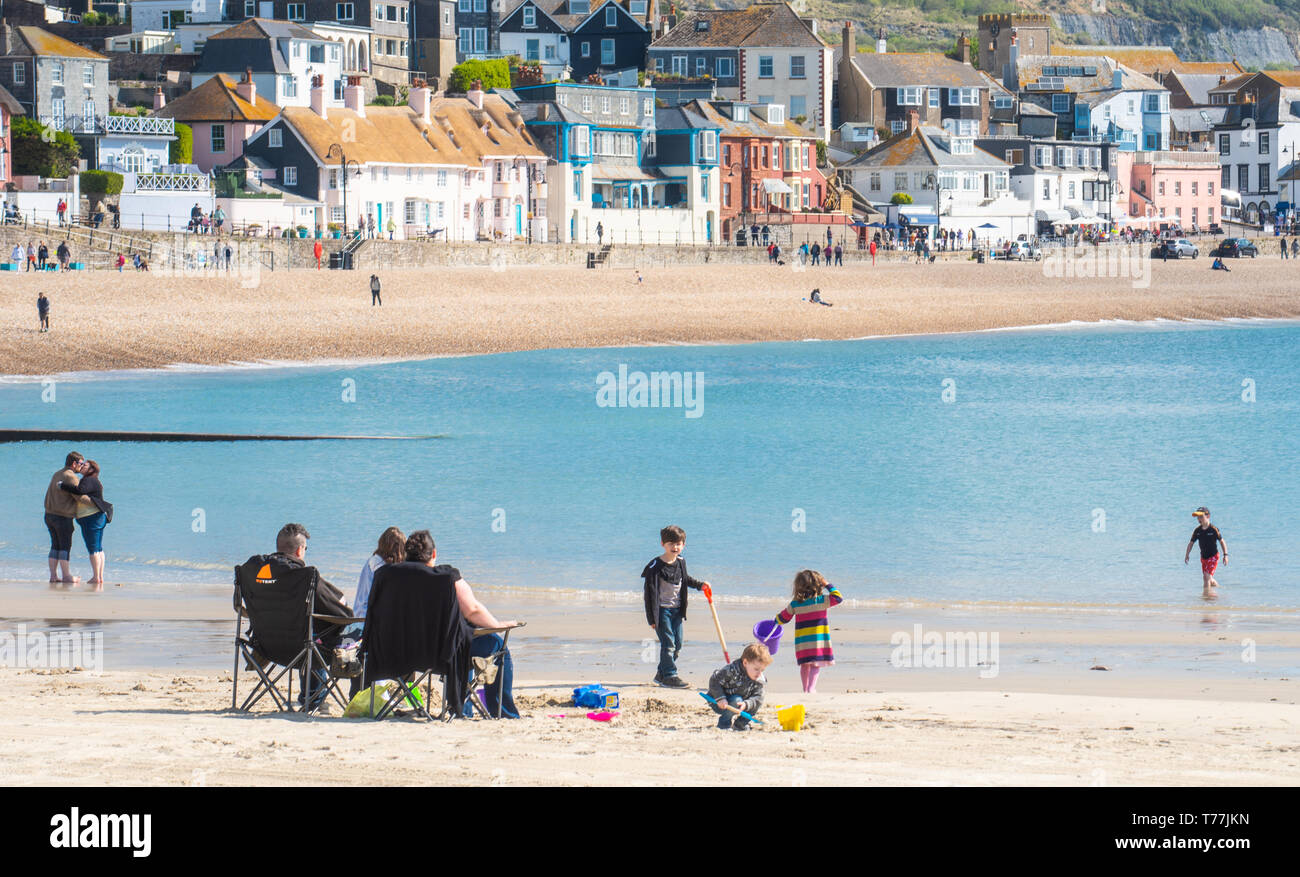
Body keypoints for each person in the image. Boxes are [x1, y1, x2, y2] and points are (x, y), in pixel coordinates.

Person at [402, 530, 521, 719]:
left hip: (405, 652)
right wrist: (497, 625)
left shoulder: (393, 577)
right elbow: (472, 610)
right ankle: (503, 713)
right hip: (445, 653)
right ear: (433, 554)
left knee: (460, 643)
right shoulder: (446, 576)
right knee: (497, 647)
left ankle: (461, 709)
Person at [238, 523, 353, 707]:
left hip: (264, 647)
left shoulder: (251, 571)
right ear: (300, 550)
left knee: (309, 628)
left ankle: (312, 695)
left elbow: (241, 607)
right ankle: (316, 697)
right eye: (305, 548)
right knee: (335, 629)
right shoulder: (304, 576)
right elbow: (343, 612)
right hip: (301, 650)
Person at [642, 524, 711, 689]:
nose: (675, 547)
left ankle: (661, 674)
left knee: (678, 644)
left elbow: (685, 579)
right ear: (663, 544)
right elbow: (648, 594)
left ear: (683, 545)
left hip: (677, 610)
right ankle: (670, 675)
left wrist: (701, 585)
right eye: (671, 544)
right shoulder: (655, 566)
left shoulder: (681, 562)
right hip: (661, 611)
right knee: (669, 643)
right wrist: (651, 618)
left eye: (678, 544)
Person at [773, 569, 843, 693]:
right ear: (818, 585)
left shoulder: (796, 604)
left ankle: (805, 689)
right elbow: (838, 598)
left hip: (803, 642)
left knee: (805, 665)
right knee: (816, 664)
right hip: (818, 640)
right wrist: (827, 584)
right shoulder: (822, 600)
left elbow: (784, 617)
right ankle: (811, 688)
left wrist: (774, 621)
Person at [59, 459, 112, 589]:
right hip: (98, 517)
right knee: (98, 548)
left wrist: (62, 485)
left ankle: (96, 577)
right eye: (81, 464)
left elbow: (79, 490)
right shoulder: (95, 481)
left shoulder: (89, 480)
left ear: (92, 469)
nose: (82, 466)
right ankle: (99, 577)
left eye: (85, 465)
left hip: (91, 517)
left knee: (93, 549)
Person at [706, 642, 772, 731]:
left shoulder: (759, 678)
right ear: (745, 662)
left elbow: (758, 697)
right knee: (736, 700)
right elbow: (715, 681)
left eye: (762, 670)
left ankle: (740, 724)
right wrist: (720, 698)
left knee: (756, 702)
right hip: (720, 702)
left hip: (742, 702)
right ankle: (724, 724)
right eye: (756, 669)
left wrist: (747, 704)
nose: (759, 673)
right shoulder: (732, 670)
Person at [44, 452, 86, 585]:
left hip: (49, 515)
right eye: (81, 464)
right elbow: (79, 497)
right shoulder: (71, 477)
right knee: (65, 547)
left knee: (55, 545)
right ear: (74, 464)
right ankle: (67, 576)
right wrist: (97, 502)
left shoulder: (57, 473)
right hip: (62, 517)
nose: (82, 466)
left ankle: (53, 576)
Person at [1185, 507, 1228, 596]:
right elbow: (1191, 543)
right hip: (1203, 558)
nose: (1199, 519)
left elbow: (1222, 541)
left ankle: (1206, 598)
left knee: (1206, 577)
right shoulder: (1197, 530)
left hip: (1213, 557)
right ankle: (1218, 590)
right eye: (1198, 517)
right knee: (1208, 578)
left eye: (1201, 516)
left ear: (1208, 516)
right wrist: (1187, 554)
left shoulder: (1213, 529)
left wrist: (1225, 555)